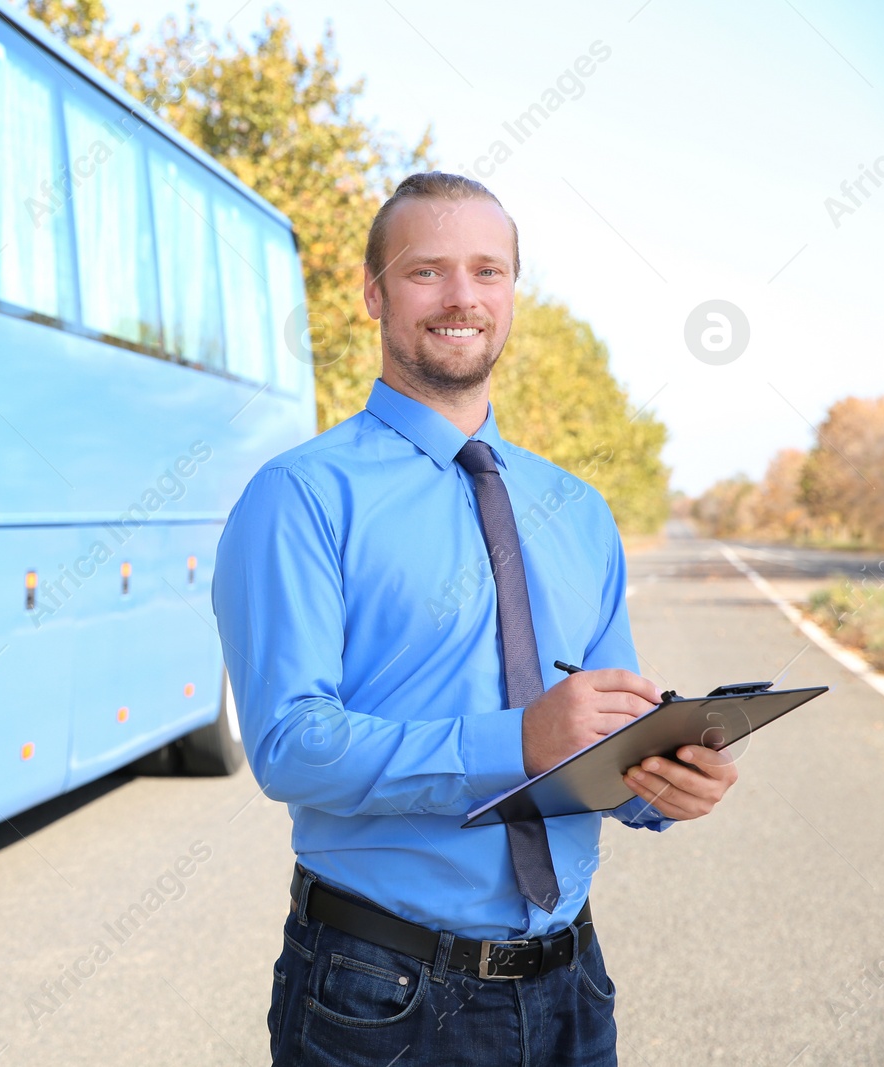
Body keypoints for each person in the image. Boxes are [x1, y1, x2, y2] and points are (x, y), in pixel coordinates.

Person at [212, 171, 738, 1066]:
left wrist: (664, 780)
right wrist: (515, 741)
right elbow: (291, 744)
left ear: (511, 296)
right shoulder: (300, 496)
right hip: (380, 994)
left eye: (488, 272)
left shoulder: (576, 508)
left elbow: (603, 732)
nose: (462, 297)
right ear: (375, 293)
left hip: (574, 987)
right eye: (428, 272)